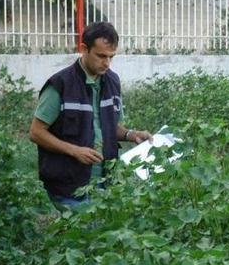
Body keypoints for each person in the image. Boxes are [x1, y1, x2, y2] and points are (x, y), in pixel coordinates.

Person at [29, 22, 152, 209]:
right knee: (84, 235)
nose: (107, 63)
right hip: (68, 187)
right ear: (84, 49)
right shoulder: (60, 84)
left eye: (111, 57)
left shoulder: (112, 81)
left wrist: (131, 135)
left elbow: (111, 126)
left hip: (103, 184)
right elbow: (36, 132)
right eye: (101, 56)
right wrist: (74, 151)